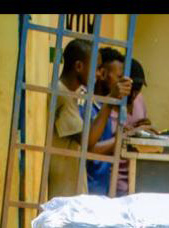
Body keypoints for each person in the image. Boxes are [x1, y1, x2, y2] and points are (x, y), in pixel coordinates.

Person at [47, 39, 92, 199]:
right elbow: (88, 141)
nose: (98, 74)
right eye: (94, 68)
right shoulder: (62, 94)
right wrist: (109, 103)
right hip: (63, 189)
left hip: (67, 185)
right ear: (79, 66)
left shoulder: (68, 93)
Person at [85, 47, 132, 195]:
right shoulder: (87, 105)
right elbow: (87, 149)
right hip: (88, 189)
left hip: (101, 187)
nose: (121, 84)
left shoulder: (102, 107)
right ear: (103, 74)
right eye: (119, 77)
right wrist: (118, 140)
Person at [109, 58, 154, 196]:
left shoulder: (139, 100)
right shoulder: (108, 107)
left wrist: (145, 130)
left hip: (137, 175)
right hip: (114, 179)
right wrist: (128, 133)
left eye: (139, 89)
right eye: (134, 89)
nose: (135, 94)